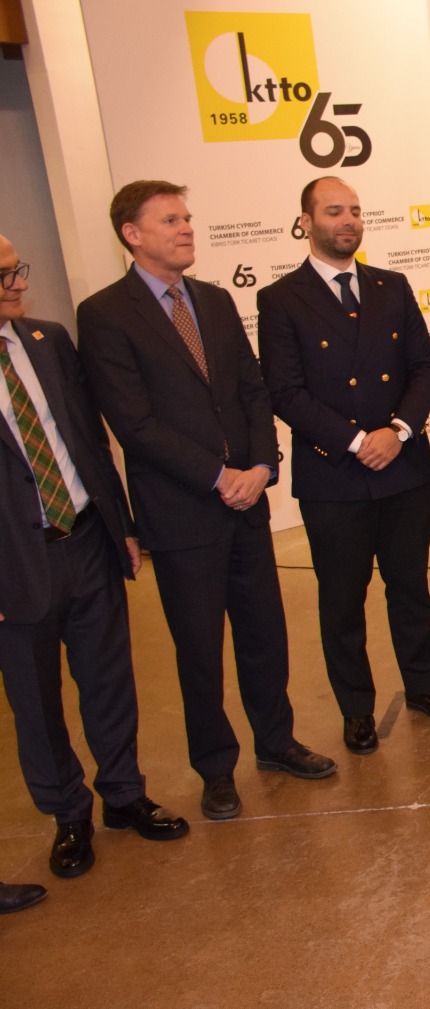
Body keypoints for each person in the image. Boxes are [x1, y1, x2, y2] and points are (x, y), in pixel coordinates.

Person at [76, 182, 336, 822]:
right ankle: (216, 768)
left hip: (247, 501)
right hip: (182, 512)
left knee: (264, 634)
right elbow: (133, 423)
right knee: (199, 650)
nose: (187, 228)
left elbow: (253, 391)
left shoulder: (214, 301)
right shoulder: (105, 314)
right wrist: (218, 476)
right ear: (132, 234)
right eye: (170, 220)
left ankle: (276, 743)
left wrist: (262, 466)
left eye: (187, 217)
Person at [0, 232, 188, 880]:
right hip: (14, 565)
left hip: (86, 540)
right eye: (4, 275)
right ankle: (68, 815)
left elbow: (88, 439)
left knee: (109, 681)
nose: (20, 283)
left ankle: (124, 794)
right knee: (36, 704)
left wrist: (122, 527)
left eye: (17, 269)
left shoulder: (47, 341)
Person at [257, 177, 430, 756]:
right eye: (333, 211)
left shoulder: (391, 286)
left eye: (353, 210)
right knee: (342, 602)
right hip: (334, 477)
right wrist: (355, 441)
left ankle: (425, 687)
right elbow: (284, 391)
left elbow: (424, 368)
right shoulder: (280, 299)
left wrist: (397, 431)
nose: (347, 220)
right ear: (306, 221)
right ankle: (357, 710)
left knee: (411, 588)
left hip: (402, 467)